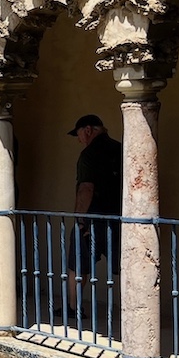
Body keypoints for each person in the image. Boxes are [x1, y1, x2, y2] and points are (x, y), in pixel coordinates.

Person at [66, 114, 122, 313]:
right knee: (127, 265)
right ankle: (135, 310)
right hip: (121, 217)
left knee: (79, 264)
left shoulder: (89, 154)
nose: (79, 139)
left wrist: (80, 220)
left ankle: (73, 307)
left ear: (88, 130)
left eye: (79, 134)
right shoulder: (121, 149)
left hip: (94, 219)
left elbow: (86, 189)